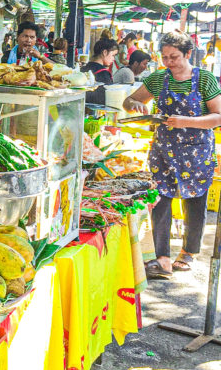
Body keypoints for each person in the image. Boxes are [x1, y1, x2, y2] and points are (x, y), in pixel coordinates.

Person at [123, 30, 221, 279]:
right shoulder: (157, 79)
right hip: (163, 150)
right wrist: (134, 104)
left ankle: (188, 252)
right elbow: (130, 100)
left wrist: (187, 121)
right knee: (161, 201)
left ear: (188, 54)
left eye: (174, 57)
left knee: (195, 202)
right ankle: (162, 258)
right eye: (164, 57)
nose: (168, 62)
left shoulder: (204, 79)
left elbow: (218, 117)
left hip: (197, 150)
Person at [82, 37, 118, 105]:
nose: (113, 59)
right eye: (113, 55)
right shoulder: (104, 74)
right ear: (105, 52)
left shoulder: (83, 69)